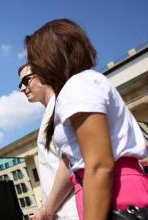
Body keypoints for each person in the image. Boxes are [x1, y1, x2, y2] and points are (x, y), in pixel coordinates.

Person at [25, 19, 148, 220]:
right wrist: (47, 211)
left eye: (35, 60)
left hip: (116, 199)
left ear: (50, 56)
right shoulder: (81, 85)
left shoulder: (78, 86)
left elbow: (99, 164)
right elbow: (75, 158)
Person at [18, 63, 78, 220]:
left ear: (44, 74)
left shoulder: (59, 107)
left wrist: (47, 210)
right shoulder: (50, 113)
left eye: (26, 81)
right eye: (20, 84)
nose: (22, 88)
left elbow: (69, 161)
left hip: (73, 211)